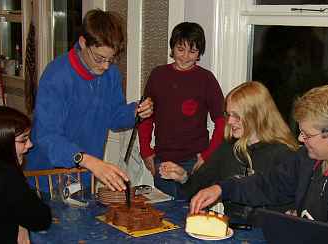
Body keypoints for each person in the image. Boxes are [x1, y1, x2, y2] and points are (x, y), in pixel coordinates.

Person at [190, 85, 328, 244]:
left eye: (307, 135)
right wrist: (222, 189)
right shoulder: (310, 157)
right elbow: (271, 184)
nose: (301, 139)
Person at [26, 9, 153, 192]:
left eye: (111, 59)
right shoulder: (57, 76)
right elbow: (47, 136)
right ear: (83, 43)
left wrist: (135, 112)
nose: (106, 66)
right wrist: (87, 160)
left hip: (84, 176)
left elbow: (114, 118)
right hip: (46, 179)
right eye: (100, 58)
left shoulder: (111, 74)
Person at [159, 81, 299, 225]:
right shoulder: (227, 148)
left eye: (237, 116)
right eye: (228, 114)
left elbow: (285, 207)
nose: (230, 121)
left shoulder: (284, 154)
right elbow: (196, 190)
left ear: (257, 115)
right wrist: (183, 178)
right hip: (231, 231)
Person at [138, 22, 225, 199]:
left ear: (199, 52)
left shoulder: (206, 79)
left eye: (192, 52)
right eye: (180, 49)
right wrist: (146, 151)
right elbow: (145, 116)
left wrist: (207, 156)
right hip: (163, 160)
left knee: (194, 214)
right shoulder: (158, 75)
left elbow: (222, 121)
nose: (185, 57)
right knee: (166, 216)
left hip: (195, 162)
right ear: (172, 47)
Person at [0, 106, 51, 243]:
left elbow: (12, 208)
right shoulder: (7, 176)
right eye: (23, 140)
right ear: (0, 143)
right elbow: (42, 220)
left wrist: (21, 223)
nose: (30, 145)